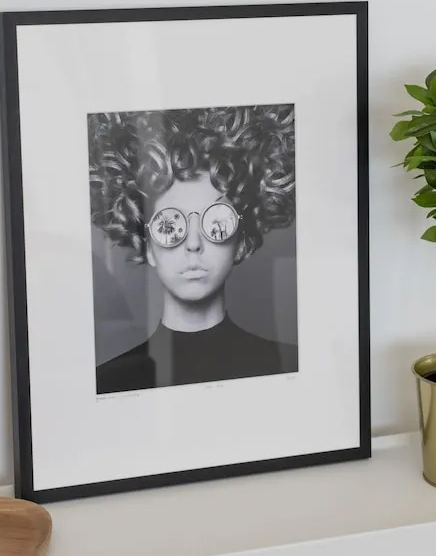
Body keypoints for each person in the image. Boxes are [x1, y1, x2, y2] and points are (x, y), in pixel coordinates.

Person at [89, 105, 298, 394]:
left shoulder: (290, 370)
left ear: (240, 244)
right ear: (148, 247)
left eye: (217, 222)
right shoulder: (109, 383)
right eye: (170, 225)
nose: (193, 244)